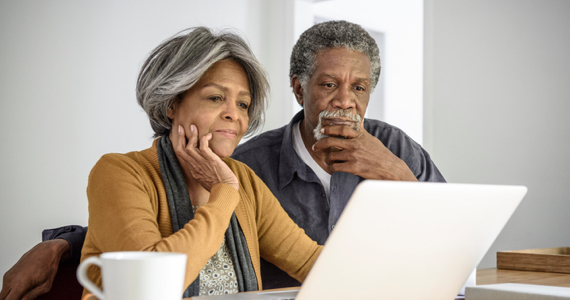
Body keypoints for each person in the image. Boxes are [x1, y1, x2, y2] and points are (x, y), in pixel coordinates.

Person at [1, 20, 444, 299]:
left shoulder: (244, 181)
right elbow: (151, 280)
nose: (235, 113)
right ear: (172, 103)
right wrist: (222, 195)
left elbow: (317, 264)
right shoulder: (125, 171)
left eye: (244, 103)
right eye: (216, 98)